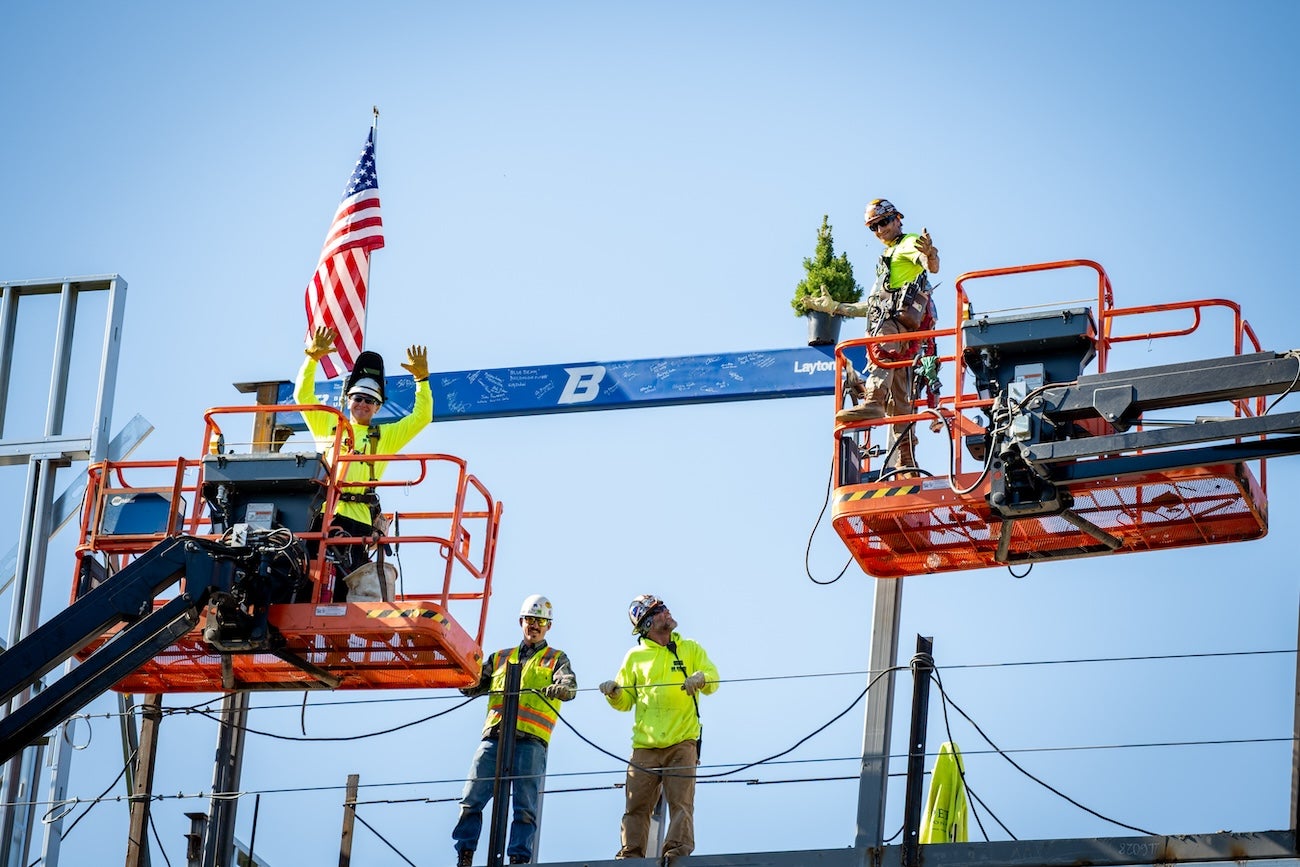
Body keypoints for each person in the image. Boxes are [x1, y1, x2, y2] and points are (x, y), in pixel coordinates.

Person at [802, 198, 940, 477]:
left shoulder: (908, 243)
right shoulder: (886, 263)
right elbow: (874, 306)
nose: (880, 230)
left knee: (881, 354)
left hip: (894, 329)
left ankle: (872, 402)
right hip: (900, 332)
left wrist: (931, 254)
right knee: (900, 401)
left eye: (884, 222)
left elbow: (929, 263)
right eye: (873, 227)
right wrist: (835, 308)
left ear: (897, 219)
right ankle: (907, 463)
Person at [294, 325, 432, 600]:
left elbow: (422, 417)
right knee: (305, 580)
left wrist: (422, 381)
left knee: (347, 585)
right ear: (348, 400)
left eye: (370, 401)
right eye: (358, 398)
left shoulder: (384, 436)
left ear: (378, 407)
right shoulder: (327, 425)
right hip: (321, 514)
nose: (363, 404)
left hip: (357, 522)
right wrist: (311, 360)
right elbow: (303, 397)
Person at [453, 595, 578, 866]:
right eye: (530, 620)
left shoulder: (556, 659)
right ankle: (465, 852)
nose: (534, 626)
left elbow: (568, 685)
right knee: (471, 798)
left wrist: (562, 689)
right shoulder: (500, 657)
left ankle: (518, 859)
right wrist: (461, 670)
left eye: (541, 621)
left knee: (525, 808)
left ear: (548, 626)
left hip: (530, 741)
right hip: (495, 738)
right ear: (521, 621)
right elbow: (472, 685)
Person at [599, 594, 719, 863]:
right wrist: (614, 693)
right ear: (648, 624)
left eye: (664, 607)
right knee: (636, 806)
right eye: (659, 611)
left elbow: (714, 680)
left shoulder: (689, 648)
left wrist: (702, 679)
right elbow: (625, 702)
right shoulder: (635, 658)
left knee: (681, 803)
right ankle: (631, 855)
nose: (667, 612)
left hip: (682, 741)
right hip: (646, 745)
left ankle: (676, 853)